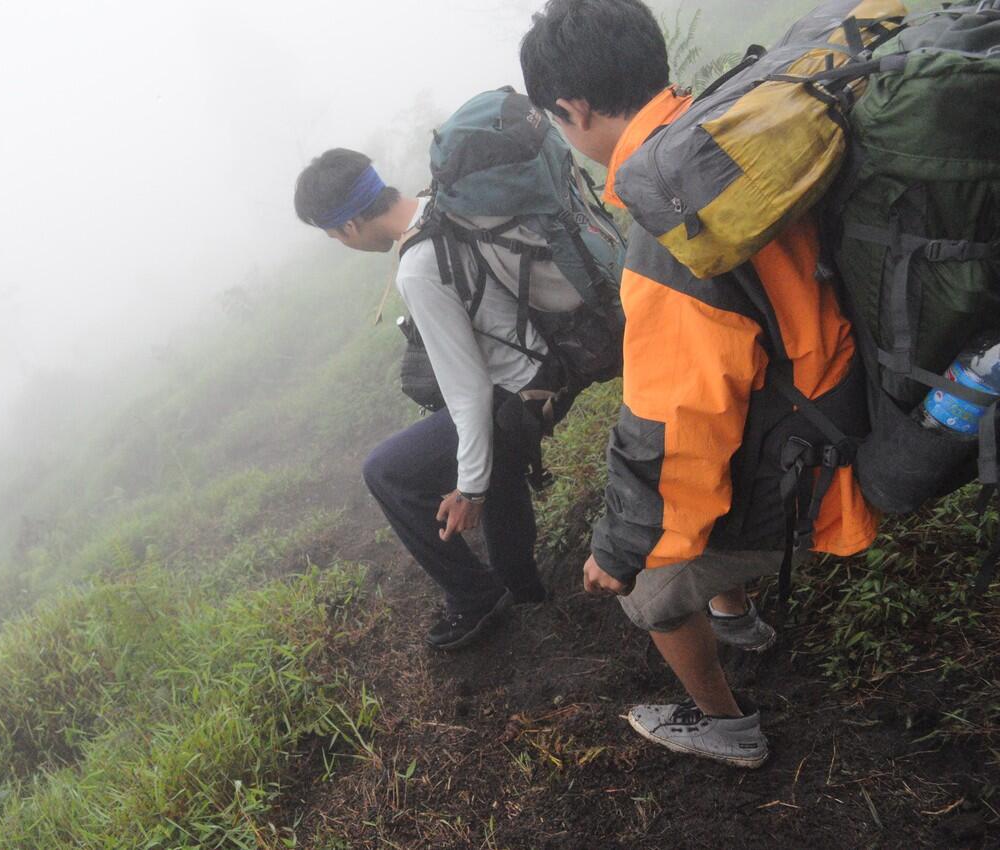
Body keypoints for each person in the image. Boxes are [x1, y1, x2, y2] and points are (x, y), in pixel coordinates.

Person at [520, 0, 878, 767]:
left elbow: (676, 426)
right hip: (834, 376)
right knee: (683, 523)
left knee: (650, 586)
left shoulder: (666, 231)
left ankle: (725, 725)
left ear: (573, 110)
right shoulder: (716, 137)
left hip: (817, 442)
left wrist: (620, 550)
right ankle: (738, 618)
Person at [294, 148, 549, 650]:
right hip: (545, 358)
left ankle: (474, 597)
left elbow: (469, 390)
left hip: (517, 388)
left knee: (386, 470)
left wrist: (469, 486)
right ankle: (523, 589)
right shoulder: (439, 203)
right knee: (493, 454)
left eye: (331, 236)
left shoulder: (418, 267)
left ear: (346, 227)